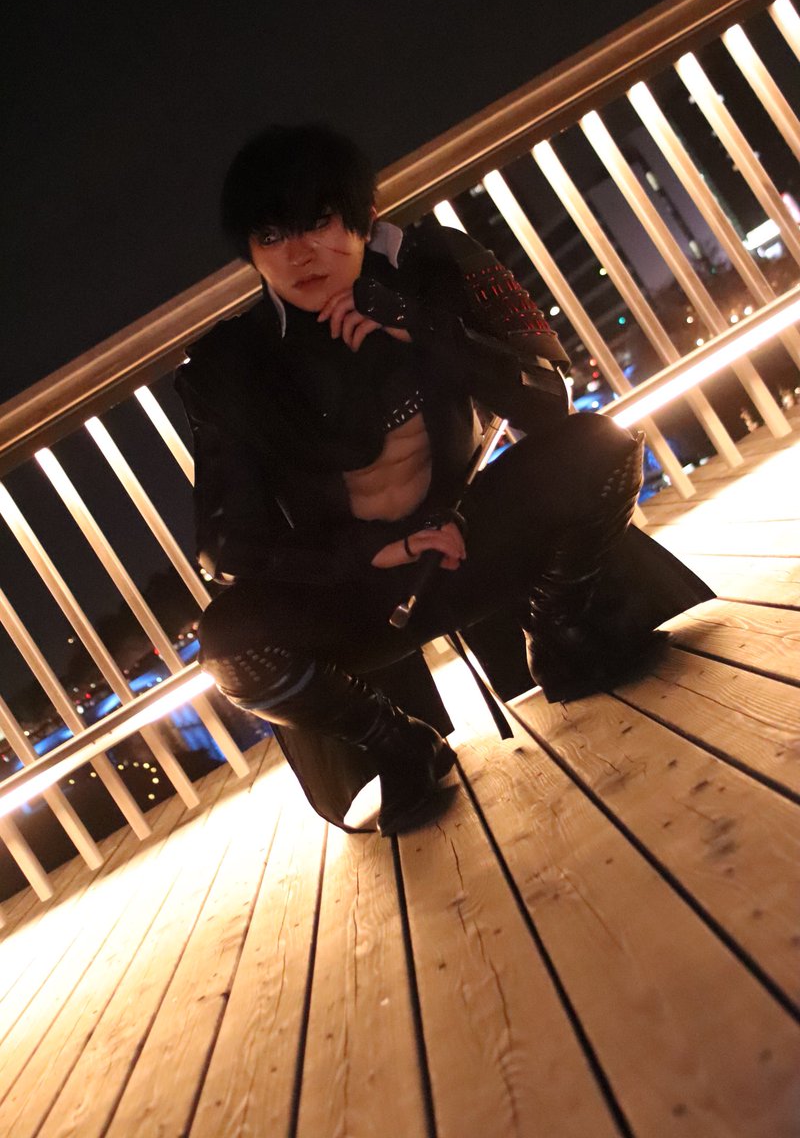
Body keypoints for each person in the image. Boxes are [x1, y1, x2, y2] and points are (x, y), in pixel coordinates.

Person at [175, 124, 712, 835]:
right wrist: (371, 552)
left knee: (602, 446)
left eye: (319, 222)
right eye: (272, 235)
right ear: (250, 250)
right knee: (229, 642)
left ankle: (562, 629)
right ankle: (396, 741)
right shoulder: (230, 366)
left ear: (364, 217)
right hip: (359, 588)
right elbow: (225, 547)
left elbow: (549, 401)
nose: (299, 253)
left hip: (474, 537)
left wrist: (424, 333)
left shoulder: (441, 267)